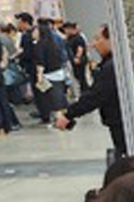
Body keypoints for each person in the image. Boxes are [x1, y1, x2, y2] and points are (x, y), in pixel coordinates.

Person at [56, 24, 126, 159]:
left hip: (121, 123)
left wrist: (68, 115)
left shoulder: (113, 67)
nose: (94, 44)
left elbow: (95, 96)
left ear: (111, 40)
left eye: (97, 39)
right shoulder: (114, 63)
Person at [32, 18, 69, 125]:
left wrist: (39, 77)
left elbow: (40, 62)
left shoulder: (39, 45)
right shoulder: (53, 43)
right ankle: (64, 118)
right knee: (60, 97)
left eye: (35, 31)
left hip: (48, 75)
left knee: (53, 99)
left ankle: (59, 121)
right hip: (59, 72)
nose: (33, 33)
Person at [63, 21, 88, 97]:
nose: (65, 31)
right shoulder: (69, 38)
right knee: (77, 77)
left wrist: (77, 57)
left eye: (67, 29)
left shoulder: (78, 37)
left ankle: (85, 92)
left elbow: (80, 48)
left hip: (79, 60)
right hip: (73, 60)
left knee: (81, 77)